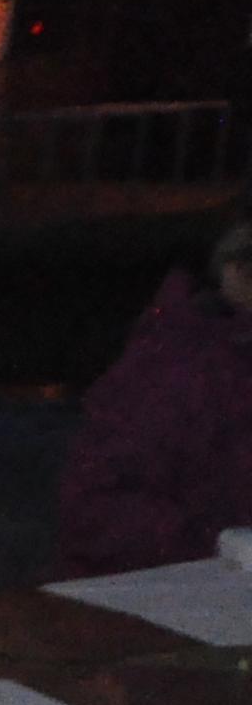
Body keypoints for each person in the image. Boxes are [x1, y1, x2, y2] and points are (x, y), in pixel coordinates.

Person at [54, 213, 252, 578]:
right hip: (159, 600)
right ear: (237, 271)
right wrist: (224, 549)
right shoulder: (175, 367)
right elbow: (97, 512)